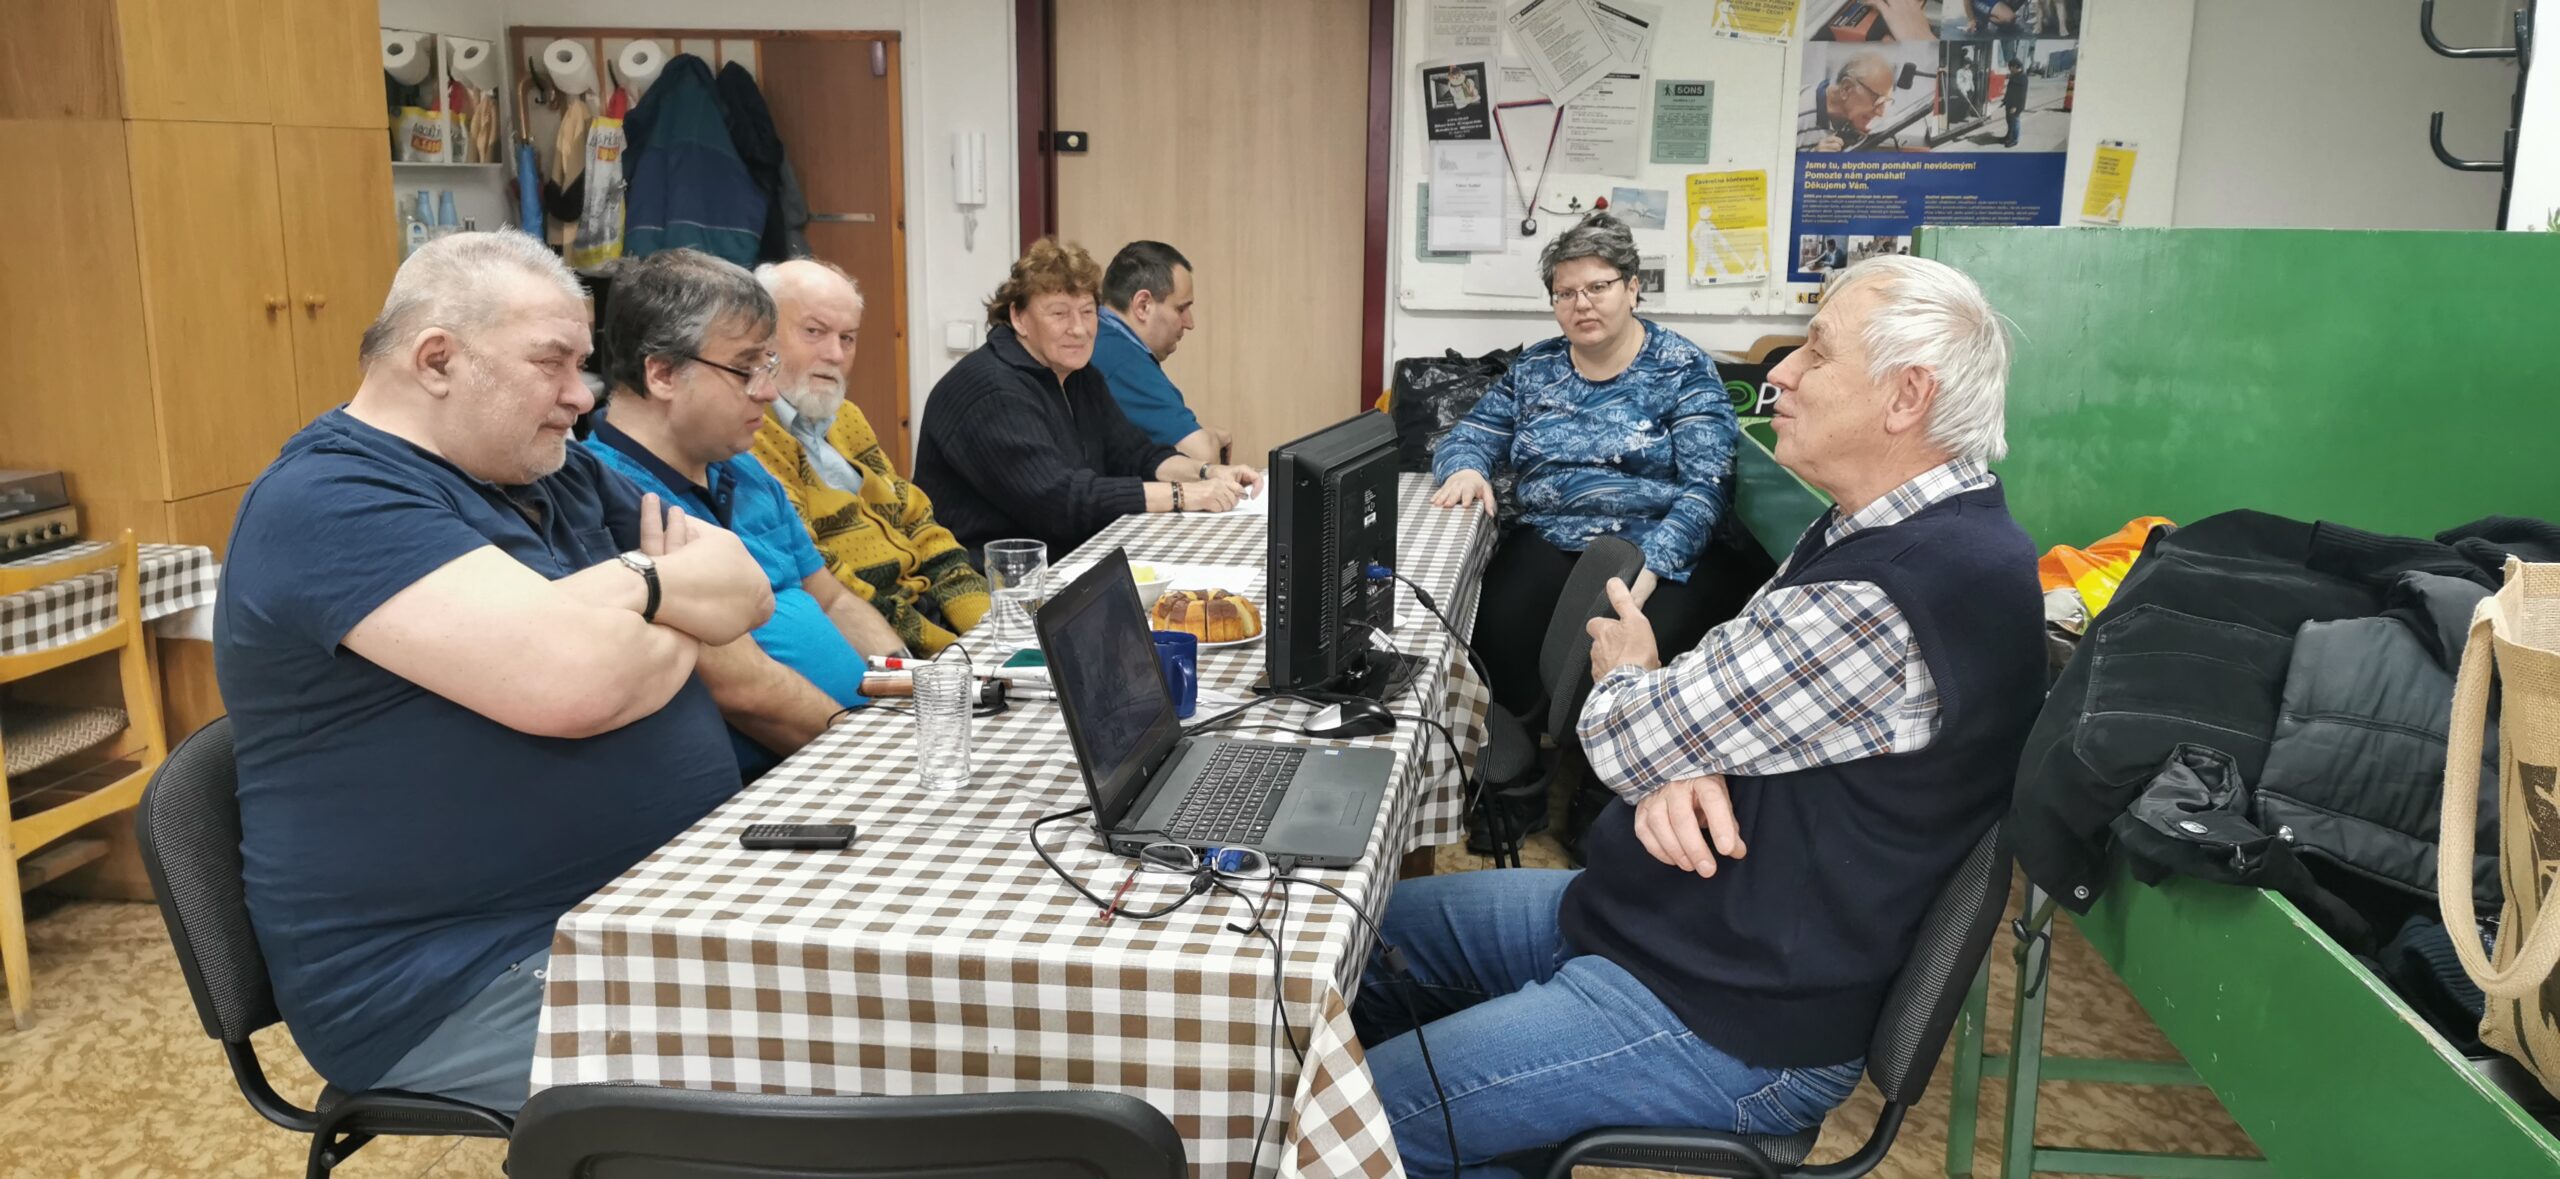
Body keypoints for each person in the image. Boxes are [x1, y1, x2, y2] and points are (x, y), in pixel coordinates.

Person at [1358, 255, 2046, 1177]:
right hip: (1661, 917)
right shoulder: (1886, 526)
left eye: (1817, 352)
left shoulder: (1900, 589)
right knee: (1352, 942)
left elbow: (1631, 727)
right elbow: (1699, 702)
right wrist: (1681, 754)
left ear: (1905, 395)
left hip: (1721, 1009)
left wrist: (1652, 714)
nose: (1780, 373)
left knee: (1343, 1124)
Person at [216, 231, 775, 1113]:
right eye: (551, 363)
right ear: (437, 359)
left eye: (583, 364)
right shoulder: (330, 502)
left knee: (927, 1005)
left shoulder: (553, 471)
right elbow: (577, 684)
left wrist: (622, 610)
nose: (579, 397)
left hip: (636, 915)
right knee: (861, 1079)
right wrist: (660, 587)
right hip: (456, 979)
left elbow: (744, 587)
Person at [584, 248, 897, 777]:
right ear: (661, 373)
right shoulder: (608, 500)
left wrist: (909, 690)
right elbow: (742, 690)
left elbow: (832, 598)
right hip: (784, 781)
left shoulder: (743, 467)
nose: (769, 390)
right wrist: (874, 753)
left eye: (769, 365)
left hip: (857, 741)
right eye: (746, 368)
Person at [1430, 213, 1737, 726]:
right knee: (1494, 627)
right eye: (1565, 293)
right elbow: (1469, 436)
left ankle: (1610, 783)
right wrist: (1466, 468)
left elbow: (1709, 486)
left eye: (1598, 286)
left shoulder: (1682, 368)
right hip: (1552, 536)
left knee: (1652, 646)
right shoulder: (1536, 371)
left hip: (1656, 546)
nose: (1582, 303)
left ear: (1633, 289)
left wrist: (1655, 567)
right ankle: (1515, 769)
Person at [913, 237, 1261, 559]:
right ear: (1019, 317)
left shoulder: (1077, 375)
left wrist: (1207, 472)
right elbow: (1060, 501)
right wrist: (1183, 495)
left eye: (1087, 311)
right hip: (986, 584)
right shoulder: (989, 392)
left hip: (1066, 560)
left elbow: (1134, 455)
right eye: (1059, 313)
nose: (1079, 329)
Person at [750, 258, 991, 655]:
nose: (835, 354)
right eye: (814, 331)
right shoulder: (750, 433)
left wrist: (985, 629)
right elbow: (817, 569)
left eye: (848, 338)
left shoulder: (845, 416)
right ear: (763, 337)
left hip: (936, 620)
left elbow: (920, 526)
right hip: (876, 638)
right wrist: (952, 652)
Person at [1091, 240, 1231, 463]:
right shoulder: (1121, 361)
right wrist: (1212, 437)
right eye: (1181, 308)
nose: (1189, 323)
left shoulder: (1100, 338)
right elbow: (1201, 458)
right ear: (1143, 305)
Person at [1809, 51, 1898, 152]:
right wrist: (1813, 157)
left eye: (1886, 102)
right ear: (1847, 88)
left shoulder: (1848, 122)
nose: (1880, 113)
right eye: (1878, 100)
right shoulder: (1796, 109)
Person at [2003, 58, 2032, 147]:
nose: (2010, 69)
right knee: (2009, 121)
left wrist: (2015, 106)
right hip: (2009, 103)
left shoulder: (2022, 77)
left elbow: (2020, 95)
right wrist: (2005, 100)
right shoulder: (2015, 75)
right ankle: (2008, 137)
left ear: (2015, 66)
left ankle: (2015, 140)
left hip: (2015, 105)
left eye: (2010, 67)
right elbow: (2010, 90)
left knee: (2015, 122)